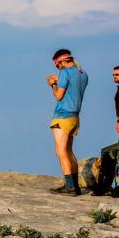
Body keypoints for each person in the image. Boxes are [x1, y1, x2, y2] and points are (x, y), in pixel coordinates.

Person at [47, 48, 89, 195]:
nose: (58, 68)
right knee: (69, 151)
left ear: (60, 61)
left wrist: (53, 84)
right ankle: (75, 185)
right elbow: (73, 89)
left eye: (57, 65)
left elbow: (59, 96)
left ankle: (70, 186)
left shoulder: (64, 72)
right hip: (75, 117)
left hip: (63, 115)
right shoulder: (82, 73)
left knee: (61, 150)